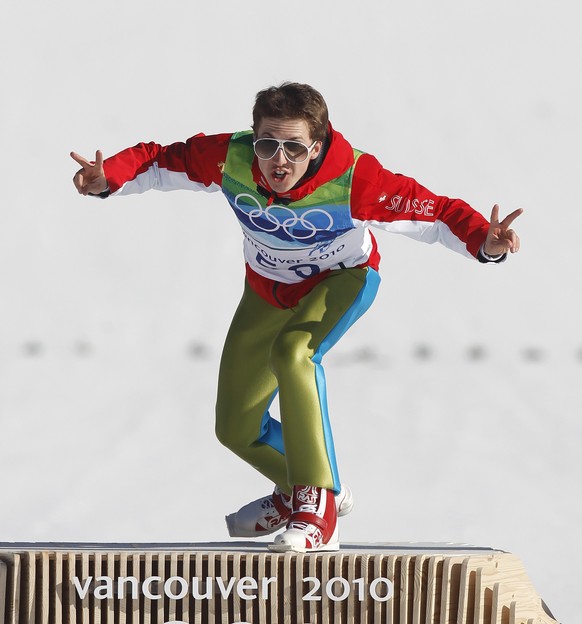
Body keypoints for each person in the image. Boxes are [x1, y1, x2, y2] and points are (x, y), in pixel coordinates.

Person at [71, 82, 522, 553]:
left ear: (318, 146)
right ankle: (303, 489)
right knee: (235, 428)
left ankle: (316, 510)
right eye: (267, 145)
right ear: (253, 139)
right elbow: (163, 159)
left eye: (293, 148)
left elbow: (435, 213)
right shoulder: (232, 158)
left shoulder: (355, 179)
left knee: (294, 354)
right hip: (267, 288)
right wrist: (111, 177)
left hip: (341, 280)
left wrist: (483, 241)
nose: (278, 160)